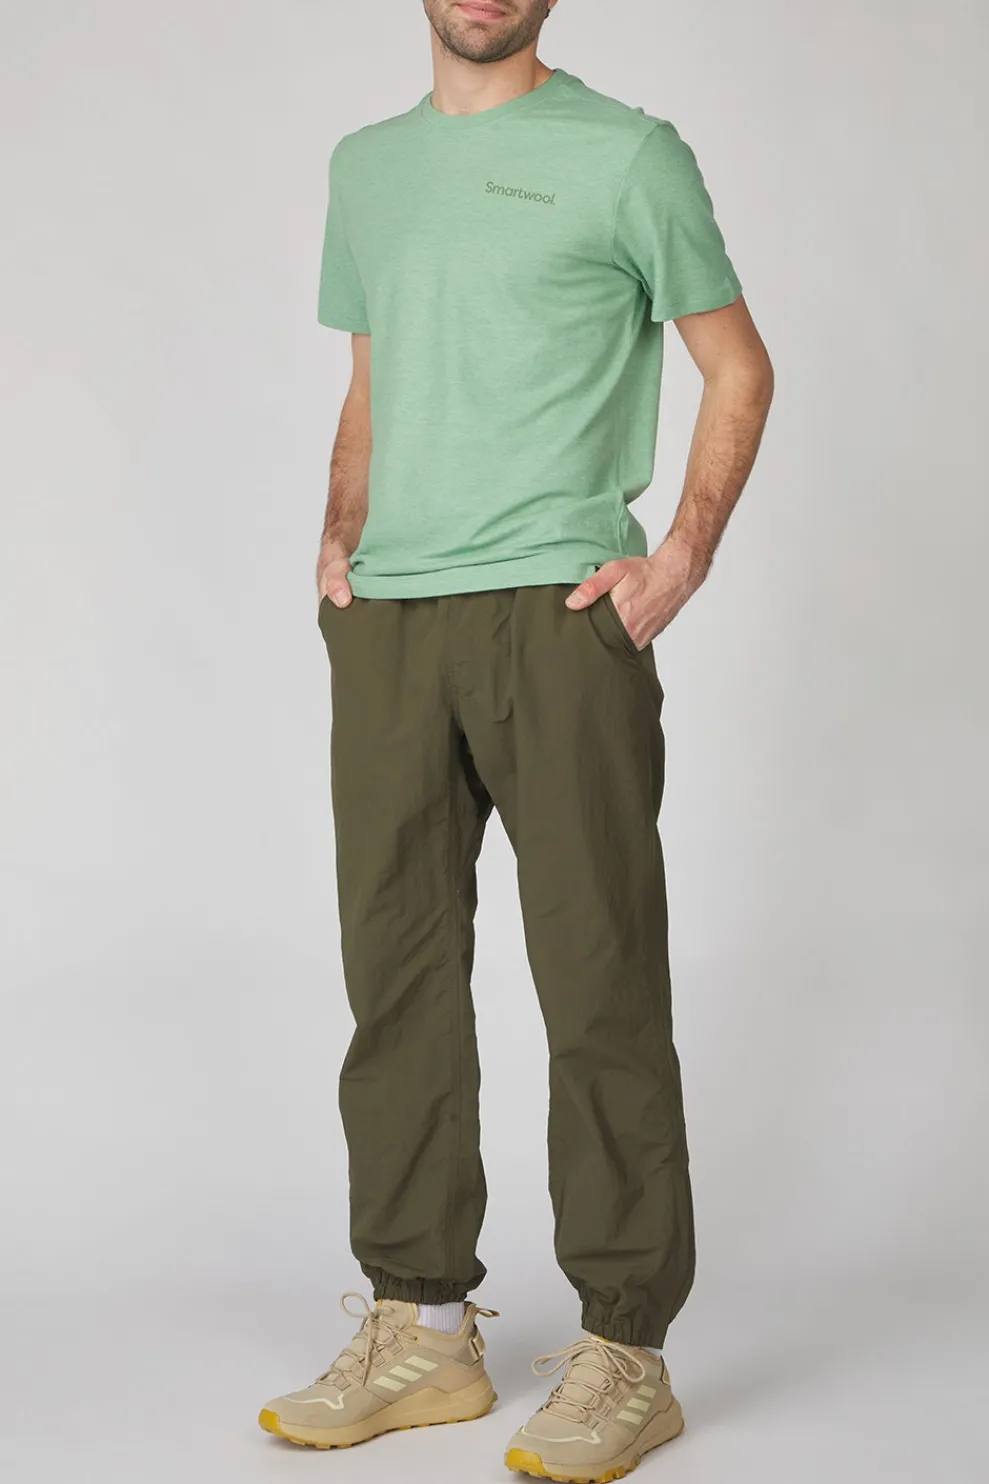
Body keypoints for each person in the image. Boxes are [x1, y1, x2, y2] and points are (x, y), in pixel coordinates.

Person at [259, 2, 774, 1478]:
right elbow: (373, 382)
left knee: (598, 974)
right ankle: (423, 1329)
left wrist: (677, 560)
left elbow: (739, 367)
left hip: (557, 616)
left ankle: (627, 1352)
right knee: (397, 977)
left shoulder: (628, 155)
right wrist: (342, 536)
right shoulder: (366, 168)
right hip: (392, 624)